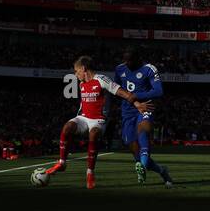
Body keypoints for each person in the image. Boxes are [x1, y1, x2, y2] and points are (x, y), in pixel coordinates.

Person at [42, 56, 152, 190]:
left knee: (93, 134)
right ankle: (62, 163)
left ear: (83, 69)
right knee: (67, 127)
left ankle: (90, 173)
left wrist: (137, 103)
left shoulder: (102, 80)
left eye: (76, 71)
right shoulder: (82, 83)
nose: (75, 75)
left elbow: (123, 93)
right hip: (83, 118)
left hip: (99, 120)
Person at [114, 49, 173, 186]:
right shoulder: (119, 69)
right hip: (127, 112)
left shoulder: (149, 69)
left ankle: (144, 165)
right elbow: (117, 90)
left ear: (138, 58)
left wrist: (137, 96)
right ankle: (161, 170)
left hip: (146, 107)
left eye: (130, 60)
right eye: (125, 60)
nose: (127, 63)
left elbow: (159, 91)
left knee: (143, 129)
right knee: (135, 150)